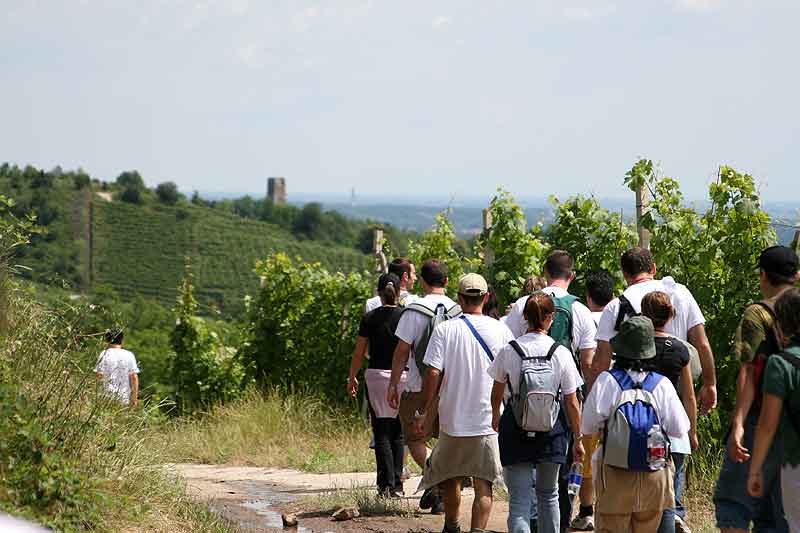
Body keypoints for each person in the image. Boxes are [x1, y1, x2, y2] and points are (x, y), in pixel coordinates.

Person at [506, 250, 597, 531]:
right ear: (572, 275)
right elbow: (587, 362)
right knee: (557, 476)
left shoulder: (524, 303)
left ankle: (529, 522)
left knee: (524, 477)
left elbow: (506, 345)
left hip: (521, 402)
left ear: (545, 272)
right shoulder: (579, 310)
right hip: (560, 404)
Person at [415, 273, 514, 533]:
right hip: (488, 419)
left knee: (451, 478)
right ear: (486, 297)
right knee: (484, 483)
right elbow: (508, 373)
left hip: (452, 418)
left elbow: (433, 373)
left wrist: (425, 411)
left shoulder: (445, 330)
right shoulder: (501, 330)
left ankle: (451, 525)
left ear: (459, 298)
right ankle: (478, 531)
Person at [715, 246, 799, 533]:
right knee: (779, 513)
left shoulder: (757, 313)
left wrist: (738, 422)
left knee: (734, 504)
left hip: (760, 419)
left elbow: (748, 370)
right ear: (797, 275)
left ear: (763, 275)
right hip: (793, 423)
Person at [582, 316, 690, 532]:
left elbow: (588, 426)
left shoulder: (607, 381)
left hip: (614, 475)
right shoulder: (662, 384)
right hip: (654, 476)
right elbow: (680, 429)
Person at [489, 292, 585, 533]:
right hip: (552, 429)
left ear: (525, 318)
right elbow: (572, 402)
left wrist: (495, 416)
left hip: (515, 425)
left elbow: (497, 389)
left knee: (520, 499)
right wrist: (578, 438)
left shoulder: (509, 350)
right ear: (551, 317)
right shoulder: (560, 353)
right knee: (549, 493)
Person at [591, 247, 716, 414]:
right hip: (677, 395)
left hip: (633, 402)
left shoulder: (616, 306)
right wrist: (709, 384)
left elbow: (601, 363)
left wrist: (595, 405)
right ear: (654, 268)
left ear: (625, 274)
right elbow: (702, 344)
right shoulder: (680, 293)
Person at [388, 259, 459, 514]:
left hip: (418, 386)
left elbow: (401, 351)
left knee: (415, 437)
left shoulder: (414, 310)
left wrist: (394, 383)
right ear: (447, 282)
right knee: (445, 437)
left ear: (422, 282)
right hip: (450, 388)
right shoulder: (458, 310)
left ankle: (436, 482)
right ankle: (439, 486)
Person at [640, 292, 699, 533]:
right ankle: (674, 516)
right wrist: (692, 431)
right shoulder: (680, 349)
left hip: (643, 425)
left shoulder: (637, 347)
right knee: (670, 490)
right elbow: (689, 396)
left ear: (643, 315)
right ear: (671, 315)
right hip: (673, 427)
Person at [348, 273, 407, 497]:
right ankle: (399, 485)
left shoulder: (369, 318)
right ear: (399, 292)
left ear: (379, 293)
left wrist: (352, 376)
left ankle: (385, 485)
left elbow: (358, 352)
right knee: (398, 432)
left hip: (376, 378)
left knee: (381, 430)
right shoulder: (406, 317)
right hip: (402, 377)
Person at [748, 287, 800, 532]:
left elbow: (768, 425)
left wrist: (756, 469)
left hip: (795, 464)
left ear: (782, 325)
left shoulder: (780, 364)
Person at [571, 270, 615, 532]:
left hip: (591, 397)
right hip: (618, 397)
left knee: (587, 457)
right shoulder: (620, 317)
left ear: (588, 296)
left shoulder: (584, 317)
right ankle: (607, 508)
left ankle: (586, 510)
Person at [95, 330, 140, 406]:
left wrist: (96, 396)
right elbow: (134, 377)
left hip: (106, 397)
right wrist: (134, 399)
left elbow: (99, 376)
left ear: (107, 340)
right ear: (122, 340)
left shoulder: (104, 354)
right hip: (124, 398)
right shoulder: (129, 355)